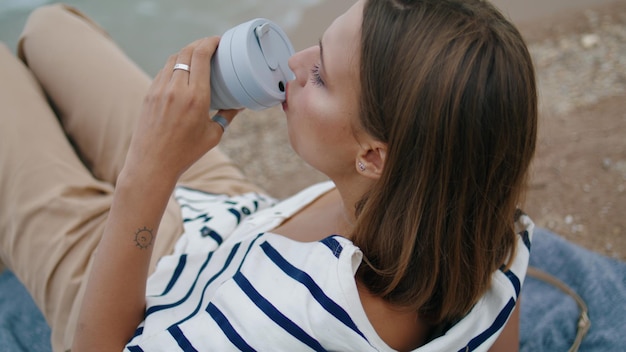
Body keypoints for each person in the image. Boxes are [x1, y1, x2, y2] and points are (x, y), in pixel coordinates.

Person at [0, 0, 537, 350]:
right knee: (51, 28)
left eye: (321, 74)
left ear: (373, 158)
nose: (295, 63)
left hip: (134, 284)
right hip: (236, 224)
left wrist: (146, 172)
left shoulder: (281, 321)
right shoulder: (493, 237)